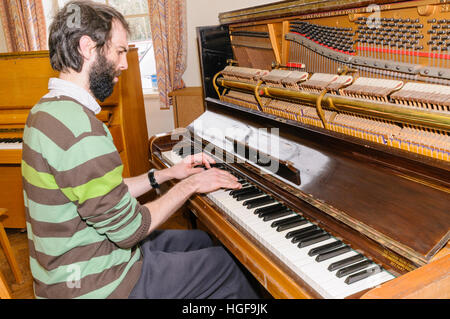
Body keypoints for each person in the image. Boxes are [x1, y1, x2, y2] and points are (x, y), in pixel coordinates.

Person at [21, 0, 259, 299]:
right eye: (120, 50)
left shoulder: (46, 111)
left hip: (72, 268)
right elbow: (130, 230)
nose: (124, 62)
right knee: (230, 267)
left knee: (199, 239)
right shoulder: (81, 130)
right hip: (96, 286)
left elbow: (102, 193)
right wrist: (191, 184)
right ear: (87, 47)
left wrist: (166, 174)